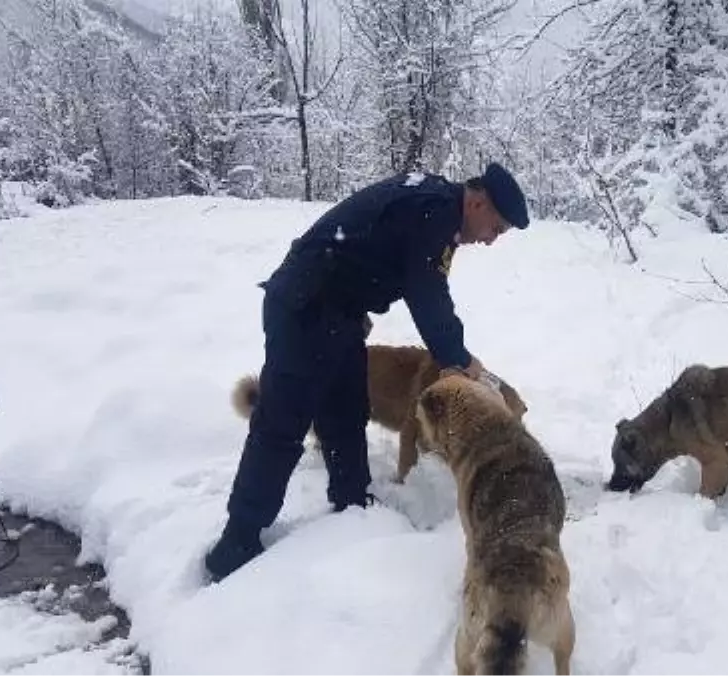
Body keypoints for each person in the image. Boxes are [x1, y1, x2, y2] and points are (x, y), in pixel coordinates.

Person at [204, 162, 530, 582]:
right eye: (496, 228)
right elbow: (428, 294)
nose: (489, 240)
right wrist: (459, 358)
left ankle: (352, 503)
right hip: (306, 306)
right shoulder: (434, 209)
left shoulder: (436, 206)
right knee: (281, 427)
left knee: (346, 411)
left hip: (337, 311)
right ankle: (237, 541)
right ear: (478, 201)